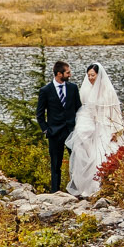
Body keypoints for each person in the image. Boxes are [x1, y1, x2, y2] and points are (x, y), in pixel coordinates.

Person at [68, 61, 124, 197]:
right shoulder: (86, 90)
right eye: (88, 75)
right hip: (91, 128)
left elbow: (115, 111)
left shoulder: (108, 91)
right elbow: (85, 109)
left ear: (99, 75)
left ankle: (107, 186)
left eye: (93, 75)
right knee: (90, 156)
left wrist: (117, 130)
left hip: (106, 127)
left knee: (104, 155)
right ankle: (90, 188)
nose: (90, 78)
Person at [36, 60, 82, 193]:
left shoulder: (73, 88)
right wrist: (46, 130)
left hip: (71, 132)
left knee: (75, 162)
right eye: (68, 72)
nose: (70, 75)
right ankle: (55, 192)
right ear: (59, 74)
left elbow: (78, 108)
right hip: (54, 133)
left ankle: (76, 190)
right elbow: (39, 114)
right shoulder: (45, 90)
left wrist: (79, 127)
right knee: (56, 165)